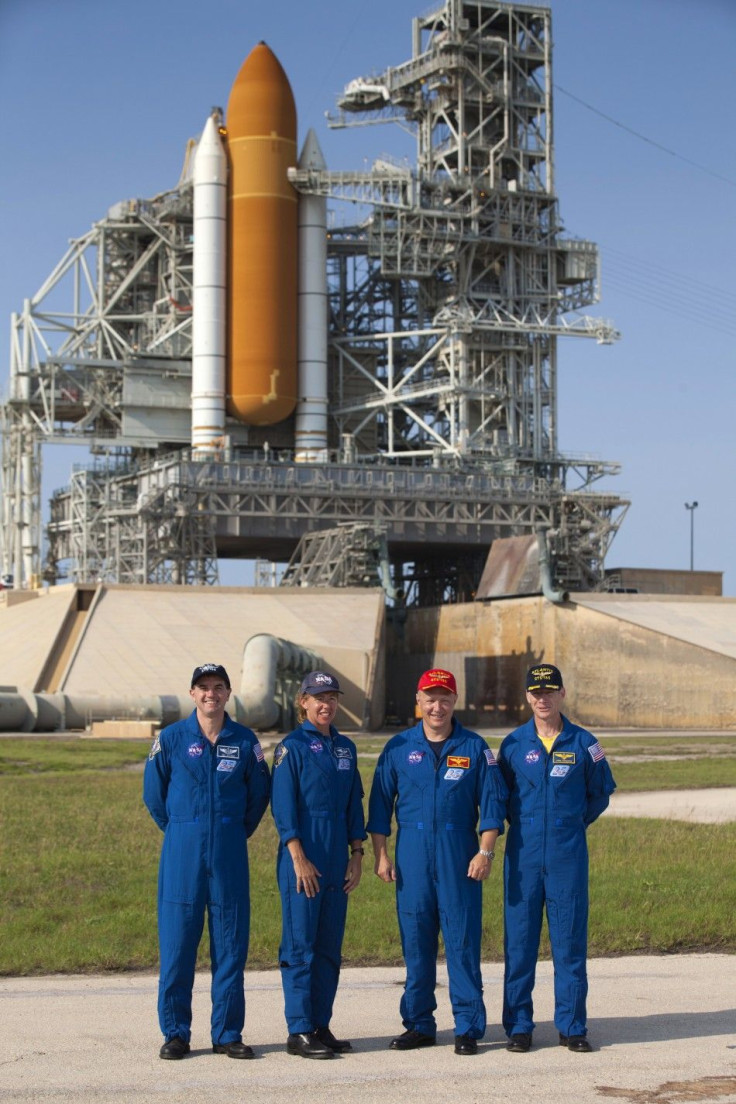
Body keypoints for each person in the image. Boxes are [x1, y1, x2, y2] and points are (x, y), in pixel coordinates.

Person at [367, 668, 507, 1056]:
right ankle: (419, 1024)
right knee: (416, 942)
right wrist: (381, 855)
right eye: (430, 698)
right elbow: (379, 806)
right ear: (419, 700)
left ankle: (467, 1026)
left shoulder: (475, 748)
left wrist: (486, 851)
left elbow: (493, 806)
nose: (437, 706)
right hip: (411, 855)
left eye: (444, 698)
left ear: (454, 701)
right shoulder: (397, 748)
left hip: (458, 854)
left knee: (462, 942)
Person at [143, 663, 270, 1060]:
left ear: (228, 693)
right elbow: (154, 794)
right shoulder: (172, 738)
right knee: (178, 944)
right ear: (193, 693)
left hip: (229, 850)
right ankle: (176, 1032)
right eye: (203, 687)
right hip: (183, 849)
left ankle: (228, 1033)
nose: (210, 693)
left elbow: (259, 795)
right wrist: (184, 828)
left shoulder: (245, 741)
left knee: (231, 944)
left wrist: (231, 830)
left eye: (218, 687)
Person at [498, 663, 616, 1054]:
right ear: (527, 697)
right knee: (520, 944)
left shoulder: (585, 743)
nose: (542, 698)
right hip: (523, 855)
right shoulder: (513, 745)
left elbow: (600, 793)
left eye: (550, 691)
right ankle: (518, 1027)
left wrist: (570, 824)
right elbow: (501, 799)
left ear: (562, 693)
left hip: (567, 856)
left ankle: (573, 1026)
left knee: (569, 943)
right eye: (535, 692)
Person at [270, 671, 366, 1059]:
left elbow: (353, 805)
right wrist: (298, 858)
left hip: (336, 856)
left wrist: (357, 855)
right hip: (303, 856)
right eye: (317, 698)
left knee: (329, 946)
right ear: (303, 703)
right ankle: (298, 1029)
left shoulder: (345, 748)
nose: (325, 705)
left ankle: (320, 1024)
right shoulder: (290, 748)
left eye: (331, 698)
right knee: (300, 944)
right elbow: (283, 806)